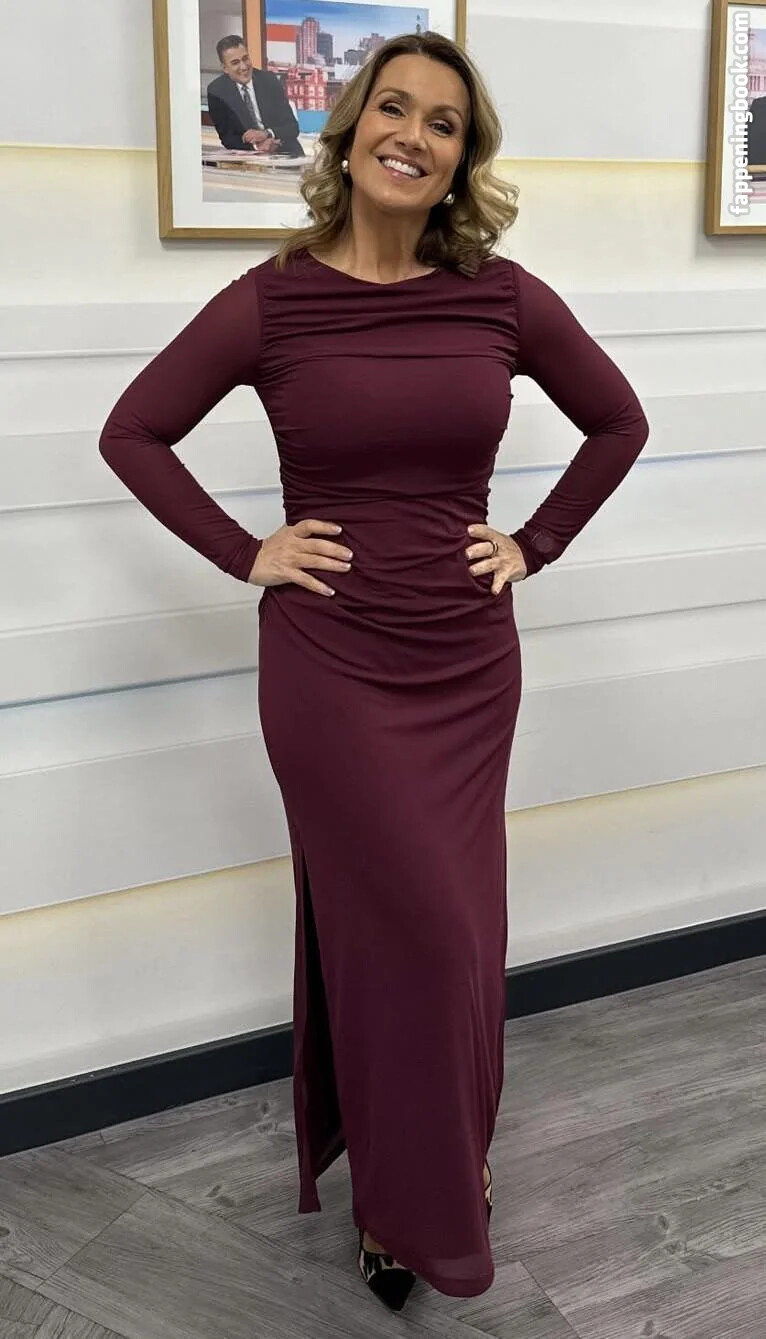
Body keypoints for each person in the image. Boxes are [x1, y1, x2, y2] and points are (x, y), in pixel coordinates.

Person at [99, 30, 649, 1312]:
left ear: (462, 158)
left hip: (464, 663)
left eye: (442, 123)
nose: (412, 135)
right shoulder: (271, 300)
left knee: (454, 938)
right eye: (391, 109)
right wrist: (244, 550)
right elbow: (134, 431)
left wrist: (534, 542)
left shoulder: (502, 297)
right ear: (347, 135)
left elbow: (619, 421)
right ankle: (402, 1205)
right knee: (387, 932)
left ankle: (442, 1163)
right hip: (329, 666)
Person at [206, 34, 303, 157]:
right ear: (225, 68)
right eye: (235, 63)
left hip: (285, 151)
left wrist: (267, 134)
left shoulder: (269, 81)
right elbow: (228, 138)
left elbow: (292, 127)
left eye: (245, 58)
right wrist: (257, 147)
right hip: (248, 157)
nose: (244, 66)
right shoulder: (217, 91)